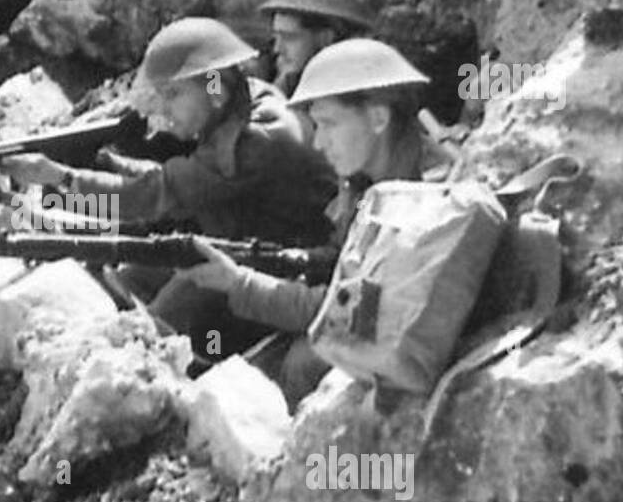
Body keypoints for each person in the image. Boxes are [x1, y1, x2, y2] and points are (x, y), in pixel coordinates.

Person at [3, 16, 338, 356]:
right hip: (247, 246)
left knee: (153, 331)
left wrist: (61, 179)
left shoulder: (253, 142)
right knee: (129, 276)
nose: (164, 109)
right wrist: (102, 172)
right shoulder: (249, 101)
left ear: (214, 86)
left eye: (174, 94)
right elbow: (181, 183)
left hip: (286, 277)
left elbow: (152, 197)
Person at [184, 37, 452, 406]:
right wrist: (272, 260)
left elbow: (344, 315)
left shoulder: (429, 197)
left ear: (378, 118)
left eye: (329, 125)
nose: (319, 143)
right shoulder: (366, 179)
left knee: (302, 362)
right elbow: (338, 256)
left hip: (414, 350)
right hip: (370, 323)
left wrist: (241, 283)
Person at [260, 0, 374, 97]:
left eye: (289, 38)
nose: (277, 49)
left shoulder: (353, 92)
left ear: (325, 38)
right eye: (276, 37)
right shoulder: (288, 81)